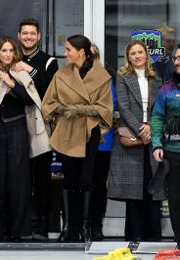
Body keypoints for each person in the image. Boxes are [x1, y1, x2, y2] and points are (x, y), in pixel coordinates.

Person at [0, 18, 58, 241]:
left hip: (19, 130)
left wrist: (11, 84)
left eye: (11, 50)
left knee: (19, 183)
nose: (8, 54)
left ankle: (19, 230)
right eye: (4, 50)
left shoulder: (21, 74)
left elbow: (30, 100)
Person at [42, 35, 113, 242]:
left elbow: (106, 109)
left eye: (68, 50)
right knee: (68, 179)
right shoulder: (61, 74)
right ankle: (67, 228)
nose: (65, 54)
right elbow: (48, 104)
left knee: (86, 179)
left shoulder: (102, 76)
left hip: (89, 132)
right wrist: (63, 111)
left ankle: (85, 228)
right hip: (67, 131)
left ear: (82, 52)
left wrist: (80, 109)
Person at [107, 40, 164, 241]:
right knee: (133, 194)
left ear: (147, 55)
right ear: (128, 57)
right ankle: (134, 239)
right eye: (133, 53)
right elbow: (122, 106)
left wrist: (152, 128)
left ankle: (153, 239)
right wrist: (142, 130)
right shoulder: (123, 76)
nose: (137, 56)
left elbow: (160, 107)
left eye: (140, 52)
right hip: (132, 138)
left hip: (153, 136)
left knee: (153, 191)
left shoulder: (156, 78)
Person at [151, 44, 180, 248]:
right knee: (176, 200)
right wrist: (156, 144)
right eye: (176, 58)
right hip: (172, 152)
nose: (177, 62)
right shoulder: (166, 89)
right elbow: (157, 118)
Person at [89, 43, 116, 241]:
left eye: (92, 54)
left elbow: (109, 106)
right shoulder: (69, 76)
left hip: (102, 141)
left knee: (98, 185)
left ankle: (96, 226)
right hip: (76, 140)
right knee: (79, 185)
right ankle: (79, 226)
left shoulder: (107, 76)